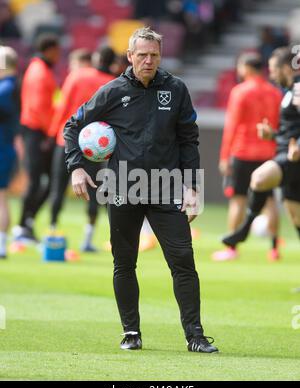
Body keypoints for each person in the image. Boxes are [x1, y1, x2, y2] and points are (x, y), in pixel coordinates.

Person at [64, 27, 219, 353]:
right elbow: (73, 125)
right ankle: (131, 332)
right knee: (124, 263)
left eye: (154, 55)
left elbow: (189, 140)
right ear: (130, 56)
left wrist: (192, 187)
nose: (148, 60)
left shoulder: (176, 90)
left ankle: (195, 336)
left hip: (167, 188)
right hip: (122, 186)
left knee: (183, 263)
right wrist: (76, 167)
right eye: (142, 55)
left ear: (160, 56)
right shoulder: (112, 91)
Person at [222, 47, 300, 250]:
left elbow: (231, 124)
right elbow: (291, 128)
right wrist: (272, 134)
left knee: (258, 180)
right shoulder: (283, 92)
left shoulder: (298, 89)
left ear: (285, 68)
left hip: (287, 155)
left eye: (274, 69)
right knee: (294, 216)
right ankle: (269, 245)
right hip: (281, 152)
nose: (271, 74)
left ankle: (244, 228)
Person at [213, 52, 283, 262]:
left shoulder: (240, 91)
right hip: (268, 153)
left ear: (246, 68)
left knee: (239, 199)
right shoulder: (275, 92)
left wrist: (225, 156)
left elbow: (232, 125)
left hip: (243, 151)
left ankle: (232, 248)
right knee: (270, 201)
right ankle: (273, 249)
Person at [49, 49, 114, 252]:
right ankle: (87, 238)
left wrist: (53, 132)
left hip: (66, 140)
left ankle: (51, 233)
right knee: (94, 190)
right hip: (94, 145)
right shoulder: (112, 83)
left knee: (58, 186)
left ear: (96, 59)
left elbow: (63, 106)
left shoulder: (77, 75)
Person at [14, 35, 60, 242]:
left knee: (45, 181)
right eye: (57, 51)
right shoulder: (40, 73)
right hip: (37, 132)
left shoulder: (37, 68)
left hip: (37, 130)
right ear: (49, 50)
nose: (59, 56)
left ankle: (27, 223)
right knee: (37, 181)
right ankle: (23, 225)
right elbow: (39, 108)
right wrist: (50, 134)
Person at [0, 46, 19, 258]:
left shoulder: (6, 88)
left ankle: (2, 245)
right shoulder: (8, 86)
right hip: (4, 147)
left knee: (1, 197)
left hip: (2, 149)